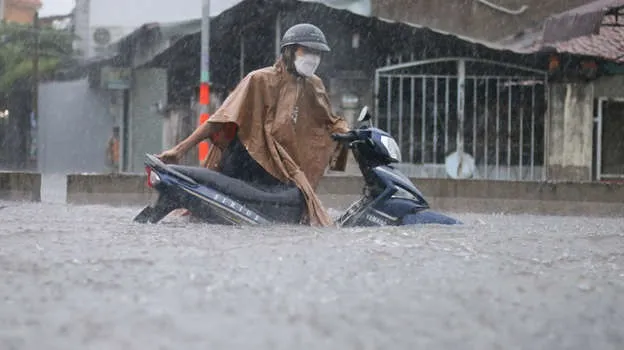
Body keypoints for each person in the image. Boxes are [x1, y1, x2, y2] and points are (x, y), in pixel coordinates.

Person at [157, 23, 350, 226]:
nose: (312, 57)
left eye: (317, 52)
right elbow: (221, 119)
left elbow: (330, 122)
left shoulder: (313, 85)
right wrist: (179, 150)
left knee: (294, 213)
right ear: (289, 51)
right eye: (305, 50)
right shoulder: (258, 80)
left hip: (278, 166)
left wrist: (350, 137)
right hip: (245, 158)